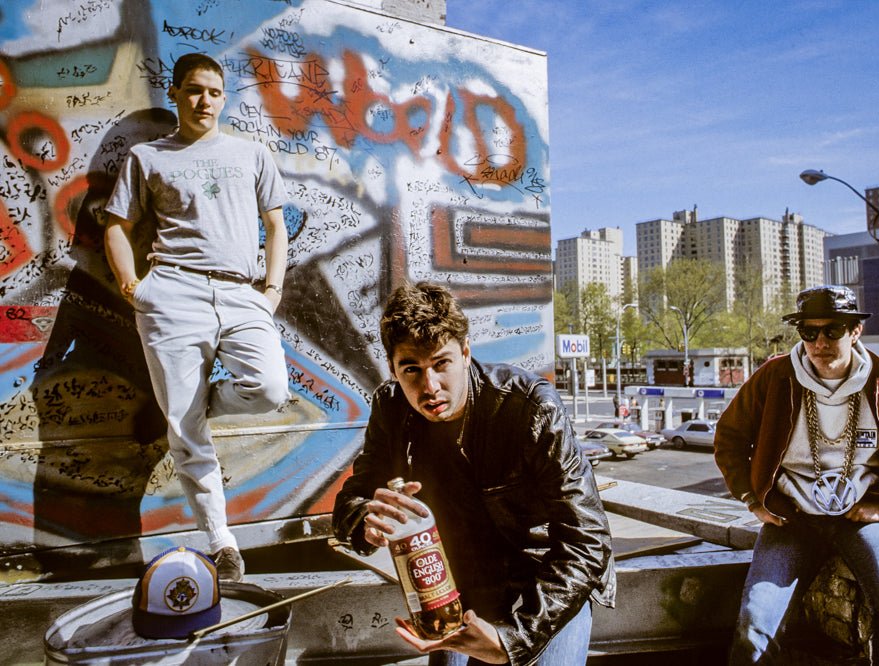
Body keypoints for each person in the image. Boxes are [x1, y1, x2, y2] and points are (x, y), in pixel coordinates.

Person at [333, 282, 615, 665]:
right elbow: (353, 498)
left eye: (441, 363)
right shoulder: (391, 406)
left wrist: (511, 641)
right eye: (411, 369)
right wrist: (365, 518)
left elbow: (588, 541)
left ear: (465, 353)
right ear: (393, 368)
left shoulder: (530, 405)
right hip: (461, 586)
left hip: (545, 581)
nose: (429, 386)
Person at [104, 52, 291, 582]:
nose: (203, 100)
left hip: (240, 293)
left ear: (224, 96)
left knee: (270, 389)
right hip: (172, 295)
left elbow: (275, 226)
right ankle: (222, 541)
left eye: (212, 91)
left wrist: (271, 291)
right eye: (192, 90)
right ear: (176, 94)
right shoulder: (148, 156)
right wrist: (134, 289)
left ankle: (197, 401)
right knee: (185, 432)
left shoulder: (251, 153)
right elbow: (116, 226)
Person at [714, 285, 879, 664]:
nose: (820, 342)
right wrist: (752, 498)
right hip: (792, 519)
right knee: (754, 625)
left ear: (854, 331)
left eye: (832, 330)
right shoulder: (775, 377)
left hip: (864, 519)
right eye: (808, 332)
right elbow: (729, 437)